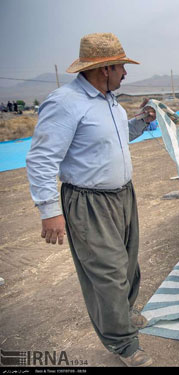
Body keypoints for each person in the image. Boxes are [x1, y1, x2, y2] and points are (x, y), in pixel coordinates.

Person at [25, 33, 156, 367]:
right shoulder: (65, 102)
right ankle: (123, 345)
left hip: (123, 196)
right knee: (108, 274)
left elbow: (117, 137)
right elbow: (41, 159)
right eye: (122, 67)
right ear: (105, 69)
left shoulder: (108, 99)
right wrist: (50, 211)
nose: (126, 73)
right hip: (89, 204)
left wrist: (143, 121)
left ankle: (123, 315)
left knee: (127, 264)